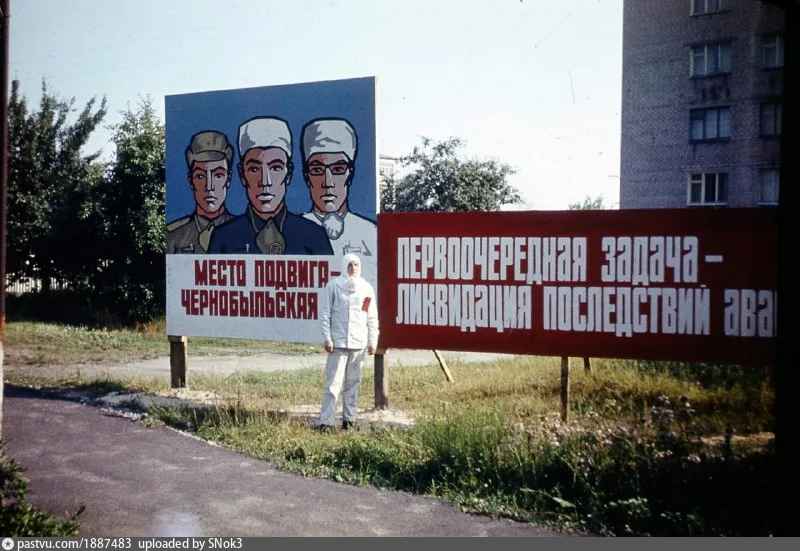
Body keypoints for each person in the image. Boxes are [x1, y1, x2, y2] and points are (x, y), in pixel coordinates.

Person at [207, 117, 333, 255]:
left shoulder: (314, 236)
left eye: (275, 168)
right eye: (254, 169)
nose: (265, 181)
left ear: (289, 174)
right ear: (242, 175)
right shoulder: (224, 238)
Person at [317, 253, 379, 432]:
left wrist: (373, 340)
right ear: (344, 266)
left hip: (358, 343)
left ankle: (349, 421)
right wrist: (327, 337)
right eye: (350, 265)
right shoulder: (334, 286)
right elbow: (325, 313)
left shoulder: (366, 288)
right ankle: (327, 422)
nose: (353, 268)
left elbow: (371, 316)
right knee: (333, 385)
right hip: (338, 343)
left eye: (356, 265)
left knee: (353, 384)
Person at [300, 118, 377, 262]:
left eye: (338, 169)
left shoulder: (370, 232)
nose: (328, 182)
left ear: (350, 174)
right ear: (307, 176)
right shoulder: (294, 232)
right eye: (317, 170)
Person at [167, 130, 236, 253]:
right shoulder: (174, 235)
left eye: (218, 175)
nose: (209, 186)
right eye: (200, 176)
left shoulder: (244, 232)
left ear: (228, 179)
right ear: (191, 180)